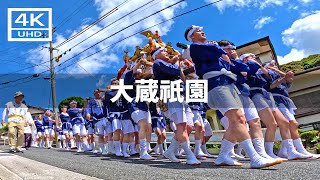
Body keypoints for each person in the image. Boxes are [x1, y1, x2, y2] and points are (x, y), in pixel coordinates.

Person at [182, 25, 279, 168]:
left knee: (238, 121)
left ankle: (222, 156)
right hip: (215, 84)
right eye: (198, 31)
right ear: (191, 37)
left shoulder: (212, 50)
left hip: (228, 84)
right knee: (238, 119)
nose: (202, 32)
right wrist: (218, 49)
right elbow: (216, 52)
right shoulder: (195, 48)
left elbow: (240, 68)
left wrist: (231, 58)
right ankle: (255, 158)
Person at [241, 53, 311, 160]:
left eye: (255, 57)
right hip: (256, 94)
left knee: (285, 123)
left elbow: (272, 79)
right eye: (251, 57)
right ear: (245, 59)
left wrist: (269, 69)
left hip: (267, 96)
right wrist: (254, 64)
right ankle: (267, 152)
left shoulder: (262, 72)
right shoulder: (247, 68)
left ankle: (290, 151)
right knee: (271, 124)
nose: (255, 58)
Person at [152, 47, 201, 165]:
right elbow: (175, 71)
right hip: (170, 95)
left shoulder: (167, 64)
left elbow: (181, 77)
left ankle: (170, 151)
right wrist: (177, 61)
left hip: (181, 96)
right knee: (181, 125)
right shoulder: (157, 63)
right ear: (156, 55)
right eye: (163, 51)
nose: (166, 53)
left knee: (189, 126)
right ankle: (189, 155)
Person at [266, 64, 320, 159]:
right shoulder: (268, 76)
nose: (273, 66)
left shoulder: (281, 77)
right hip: (276, 100)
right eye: (271, 65)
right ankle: (300, 150)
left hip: (286, 101)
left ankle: (284, 152)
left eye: (275, 65)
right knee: (292, 123)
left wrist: (279, 72)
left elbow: (290, 77)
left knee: (290, 125)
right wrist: (279, 75)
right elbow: (270, 86)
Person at [124, 63, 155, 160]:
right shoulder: (130, 79)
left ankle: (146, 148)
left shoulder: (145, 81)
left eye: (139, 74)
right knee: (143, 124)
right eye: (137, 74)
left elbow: (151, 72)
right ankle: (143, 152)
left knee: (149, 128)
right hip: (134, 104)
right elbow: (134, 71)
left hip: (144, 105)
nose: (138, 75)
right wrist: (141, 62)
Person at [86, 89, 110, 154]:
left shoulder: (104, 100)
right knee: (101, 135)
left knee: (109, 134)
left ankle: (108, 148)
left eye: (99, 92)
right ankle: (102, 149)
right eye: (96, 93)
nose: (98, 94)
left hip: (106, 118)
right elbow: (88, 108)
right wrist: (88, 113)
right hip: (97, 119)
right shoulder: (91, 101)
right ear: (94, 94)